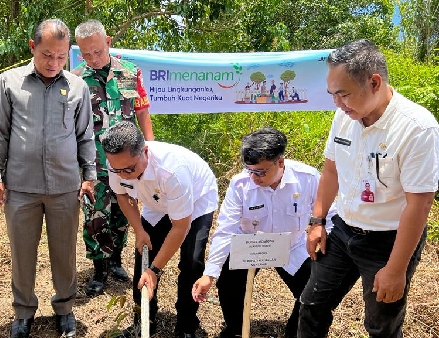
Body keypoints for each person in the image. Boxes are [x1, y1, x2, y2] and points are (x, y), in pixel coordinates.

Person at [299, 39, 439, 338]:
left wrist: (396, 269)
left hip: (388, 242)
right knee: (311, 306)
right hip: (343, 230)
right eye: (332, 95)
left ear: (374, 82)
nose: (337, 103)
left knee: (381, 326)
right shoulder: (344, 116)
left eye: (344, 94)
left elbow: (419, 204)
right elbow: (331, 169)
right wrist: (317, 220)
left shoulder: (417, 128)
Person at [0, 18, 96, 338]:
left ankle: (64, 308)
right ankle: (23, 312)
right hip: (21, 186)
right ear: (33, 47)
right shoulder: (9, 83)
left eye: (61, 56)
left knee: (64, 251)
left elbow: (85, 136)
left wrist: (89, 175)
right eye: (47, 54)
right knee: (22, 253)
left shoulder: (77, 87)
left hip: (65, 186)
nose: (53, 63)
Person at [191, 128, 335, 338]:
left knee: (316, 292)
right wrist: (210, 273)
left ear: (280, 162)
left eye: (261, 171)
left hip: (291, 244)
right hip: (250, 244)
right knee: (229, 285)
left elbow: (331, 215)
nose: (254, 177)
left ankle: (296, 333)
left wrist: (320, 232)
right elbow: (226, 229)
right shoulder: (240, 185)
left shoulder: (308, 178)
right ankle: (236, 331)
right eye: (250, 170)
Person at [101, 121, 218, 338]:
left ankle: (186, 325)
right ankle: (144, 320)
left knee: (192, 261)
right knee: (143, 255)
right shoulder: (117, 163)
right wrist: (139, 230)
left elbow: (180, 227)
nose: (124, 175)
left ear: (145, 150)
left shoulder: (173, 171)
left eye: (130, 169)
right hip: (156, 203)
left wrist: (155, 270)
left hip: (197, 200)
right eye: (118, 170)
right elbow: (123, 195)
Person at [73, 19, 155, 297]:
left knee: (124, 210)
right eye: (86, 54)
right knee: (95, 214)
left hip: (126, 161)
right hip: (92, 162)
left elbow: (142, 111)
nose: (93, 59)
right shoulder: (75, 80)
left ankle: (117, 260)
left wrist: (150, 146)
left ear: (108, 41)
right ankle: (99, 268)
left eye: (97, 51)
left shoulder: (130, 72)